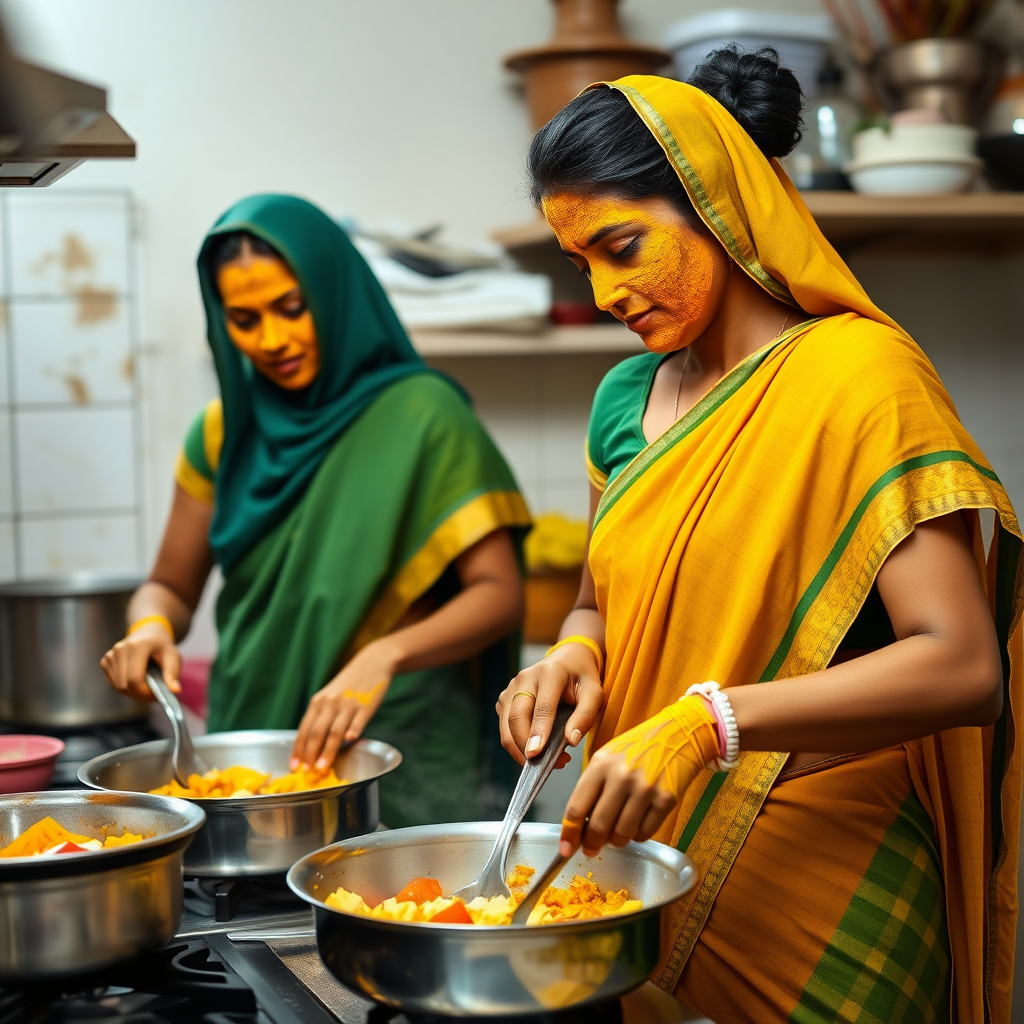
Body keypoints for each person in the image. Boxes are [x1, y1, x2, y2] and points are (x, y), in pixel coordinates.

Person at [497, 49, 1022, 1023]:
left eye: (621, 247)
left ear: (715, 201)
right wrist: (571, 652)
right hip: (647, 868)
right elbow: (595, 597)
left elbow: (962, 667)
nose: (605, 293)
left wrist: (707, 723)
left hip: (827, 884)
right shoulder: (624, 401)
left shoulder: (859, 377)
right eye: (580, 266)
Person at [102, 194, 530, 827]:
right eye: (244, 320)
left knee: (409, 902)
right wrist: (149, 628)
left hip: (393, 743)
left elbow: (499, 596)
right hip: (255, 736)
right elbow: (167, 586)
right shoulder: (223, 431)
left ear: (332, 294)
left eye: (291, 309)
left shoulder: (425, 416)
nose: (272, 340)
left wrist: (382, 655)